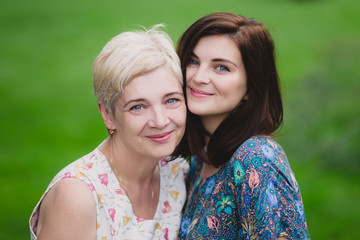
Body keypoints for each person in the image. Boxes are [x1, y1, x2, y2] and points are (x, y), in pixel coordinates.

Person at [29, 25, 188, 240]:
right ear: (108, 114)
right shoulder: (78, 196)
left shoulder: (178, 171)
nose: (160, 121)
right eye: (138, 107)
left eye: (171, 100)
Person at [172, 12, 310, 239]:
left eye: (221, 67)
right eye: (193, 61)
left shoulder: (256, 158)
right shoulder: (201, 158)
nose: (198, 77)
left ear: (250, 88)